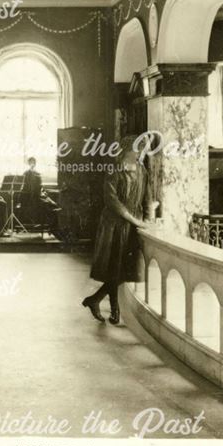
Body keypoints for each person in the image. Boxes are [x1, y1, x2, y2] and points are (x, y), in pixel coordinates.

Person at [82, 137, 149, 325]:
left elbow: (147, 197)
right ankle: (114, 310)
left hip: (132, 225)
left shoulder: (142, 170)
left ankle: (95, 300)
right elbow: (112, 201)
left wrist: (148, 218)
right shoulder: (114, 171)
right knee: (115, 268)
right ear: (128, 150)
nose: (140, 154)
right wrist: (134, 219)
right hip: (114, 224)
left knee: (124, 270)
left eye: (142, 150)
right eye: (138, 150)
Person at [19, 157, 61, 237]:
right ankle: (53, 227)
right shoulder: (26, 174)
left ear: (35, 164)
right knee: (49, 206)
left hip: (39, 195)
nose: (32, 164)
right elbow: (26, 188)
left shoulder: (37, 174)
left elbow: (40, 186)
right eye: (31, 162)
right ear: (28, 163)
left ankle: (53, 227)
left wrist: (43, 192)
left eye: (33, 162)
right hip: (32, 198)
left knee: (54, 206)